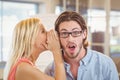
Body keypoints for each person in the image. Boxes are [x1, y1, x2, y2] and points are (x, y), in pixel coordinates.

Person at [45, 11, 119, 80]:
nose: (70, 39)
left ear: (84, 34)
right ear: (58, 37)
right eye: (64, 33)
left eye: (76, 32)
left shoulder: (105, 64)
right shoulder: (50, 71)